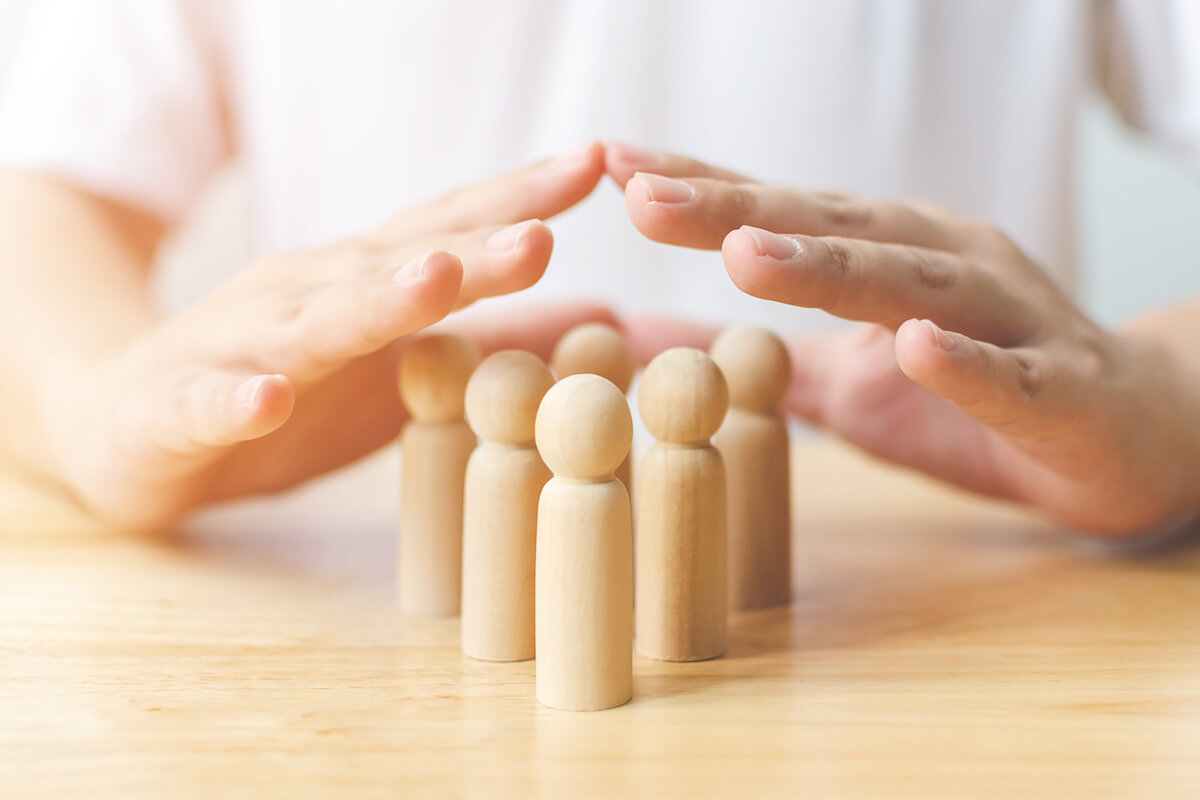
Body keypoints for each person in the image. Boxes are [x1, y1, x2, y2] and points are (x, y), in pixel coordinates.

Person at [0, 0, 1197, 537]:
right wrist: (86, 390)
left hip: (967, 577)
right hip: (344, 566)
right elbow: (49, 186)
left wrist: (1175, 396)